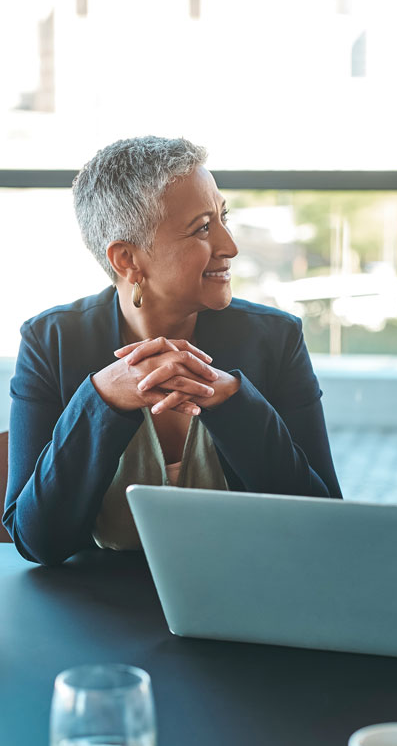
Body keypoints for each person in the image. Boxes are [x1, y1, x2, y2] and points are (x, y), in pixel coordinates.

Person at [4, 136, 341, 565]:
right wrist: (100, 401)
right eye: (202, 227)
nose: (230, 246)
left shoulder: (276, 339)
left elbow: (325, 519)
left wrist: (235, 401)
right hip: (98, 613)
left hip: (251, 595)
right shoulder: (49, 342)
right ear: (127, 260)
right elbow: (36, 542)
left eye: (223, 217)